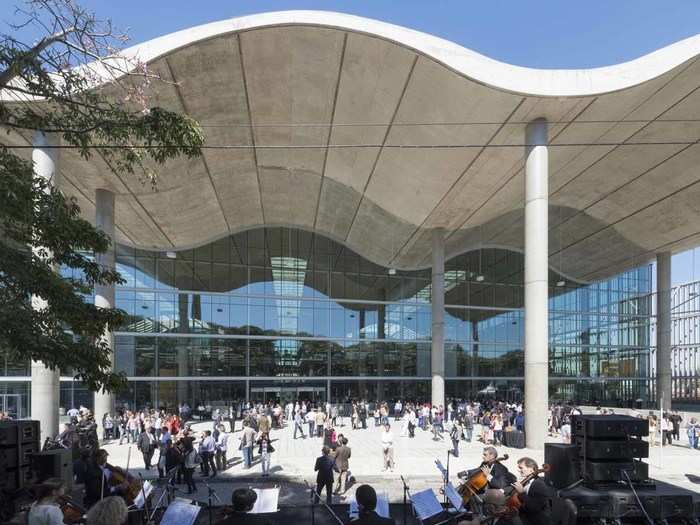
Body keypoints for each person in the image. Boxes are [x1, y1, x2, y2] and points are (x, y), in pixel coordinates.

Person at [511, 457, 555, 525]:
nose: (519, 470)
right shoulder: (527, 481)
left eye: (521, 468)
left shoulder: (539, 485)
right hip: (527, 516)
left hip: (536, 521)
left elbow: (534, 508)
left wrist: (522, 493)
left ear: (531, 469)